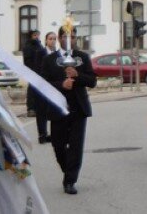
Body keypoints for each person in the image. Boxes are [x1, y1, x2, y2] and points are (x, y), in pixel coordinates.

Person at [41, 26, 97, 195]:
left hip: (79, 109)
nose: (69, 40)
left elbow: (92, 81)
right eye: (65, 37)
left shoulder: (82, 57)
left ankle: (70, 181)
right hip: (58, 109)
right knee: (58, 145)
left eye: (72, 37)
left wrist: (78, 75)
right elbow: (43, 84)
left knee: (75, 147)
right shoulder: (49, 60)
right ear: (59, 38)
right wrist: (61, 85)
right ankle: (68, 169)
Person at [32, 32, 58, 144]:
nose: (52, 41)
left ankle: (52, 134)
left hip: (53, 85)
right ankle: (42, 134)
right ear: (46, 40)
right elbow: (37, 68)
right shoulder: (41, 52)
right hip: (41, 85)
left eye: (54, 39)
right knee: (41, 111)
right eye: (50, 39)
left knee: (53, 109)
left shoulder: (57, 53)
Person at [22, 30, 42, 117]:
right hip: (32, 71)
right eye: (35, 35)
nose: (37, 37)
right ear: (31, 36)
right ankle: (31, 109)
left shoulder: (38, 45)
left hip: (39, 71)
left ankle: (37, 108)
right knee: (32, 90)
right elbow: (28, 60)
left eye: (38, 35)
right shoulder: (28, 46)